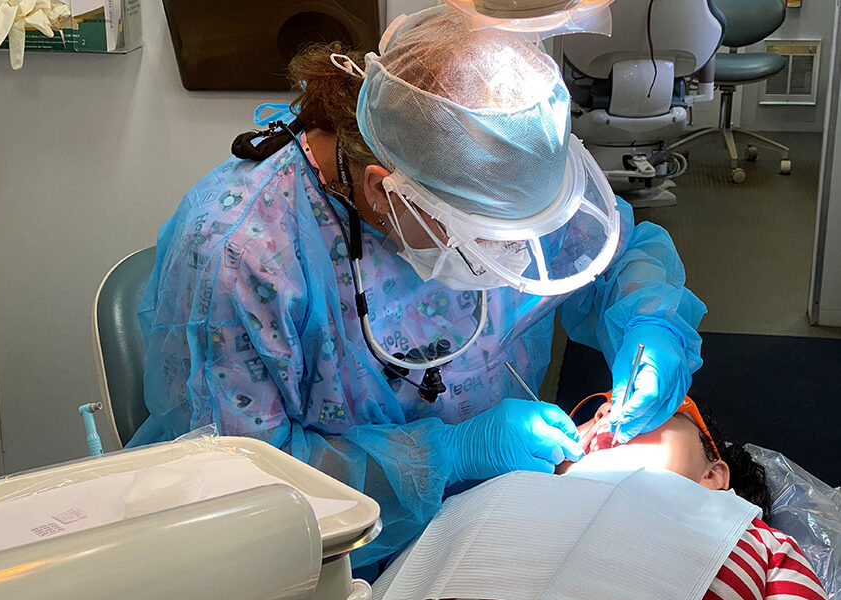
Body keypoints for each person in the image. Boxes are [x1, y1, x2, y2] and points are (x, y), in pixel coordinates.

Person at [131, 6, 707, 568]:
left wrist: (648, 321)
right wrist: (450, 455)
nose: (515, 260)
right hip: (332, 557)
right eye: (488, 241)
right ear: (386, 192)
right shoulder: (241, 255)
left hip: (497, 519)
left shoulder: (500, 167)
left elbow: (608, 254)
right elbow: (243, 490)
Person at [563, 393, 828, 600]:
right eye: (595, 410)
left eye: (656, 410)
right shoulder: (531, 501)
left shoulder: (763, 543)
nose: (605, 411)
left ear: (711, 477)